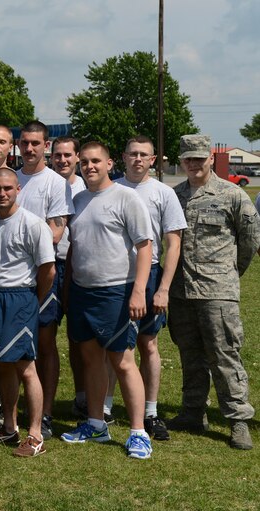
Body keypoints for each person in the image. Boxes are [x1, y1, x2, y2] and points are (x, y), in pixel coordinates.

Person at [60, 141, 154, 460]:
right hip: (83, 292)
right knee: (91, 359)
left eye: (96, 161)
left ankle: (138, 432)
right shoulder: (79, 199)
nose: (90, 167)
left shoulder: (126, 198)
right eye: (84, 162)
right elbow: (76, 247)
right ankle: (96, 423)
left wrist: (139, 290)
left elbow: (144, 246)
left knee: (123, 361)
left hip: (116, 292)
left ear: (110, 163)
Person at [168, 134, 260, 450]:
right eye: (188, 159)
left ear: (210, 157)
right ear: (181, 161)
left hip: (217, 291)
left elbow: (249, 241)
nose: (193, 164)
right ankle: (193, 412)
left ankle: (237, 420)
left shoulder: (233, 195)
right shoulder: (174, 195)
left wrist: (230, 274)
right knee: (190, 355)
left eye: (199, 158)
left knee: (225, 356)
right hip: (180, 291)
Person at [104, 136, 186, 441]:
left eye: (144, 155)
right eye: (133, 154)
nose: (138, 159)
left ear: (154, 160)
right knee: (113, 345)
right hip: (113, 276)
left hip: (150, 273)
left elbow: (173, 243)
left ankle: (150, 413)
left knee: (148, 344)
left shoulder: (164, 193)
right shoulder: (111, 187)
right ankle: (106, 407)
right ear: (123, 157)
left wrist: (163, 288)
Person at [0, 168, 55, 457]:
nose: (2, 193)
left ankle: (35, 434)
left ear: (18, 189)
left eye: (8, 188)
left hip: (20, 298)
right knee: (2, 364)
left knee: (25, 367)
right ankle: (9, 427)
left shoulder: (33, 224)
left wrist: (33, 300)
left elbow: (48, 270)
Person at [12, 120, 74, 439]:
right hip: (11, 274)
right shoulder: (12, 179)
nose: (30, 148)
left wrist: (20, 243)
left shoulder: (55, 183)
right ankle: (7, 408)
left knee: (45, 341)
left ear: (45, 146)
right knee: (13, 341)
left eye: (36, 143)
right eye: (25, 142)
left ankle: (45, 413)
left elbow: (56, 231)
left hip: (44, 269)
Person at [49, 137, 89, 420]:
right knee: (45, 336)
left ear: (76, 157)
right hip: (50, 266)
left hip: (78, 269)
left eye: (67, 155)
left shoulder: (86, 188)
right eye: (57, 155)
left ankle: (83, 397)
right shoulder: (47, 183)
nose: (62, 160)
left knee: (79, 338)